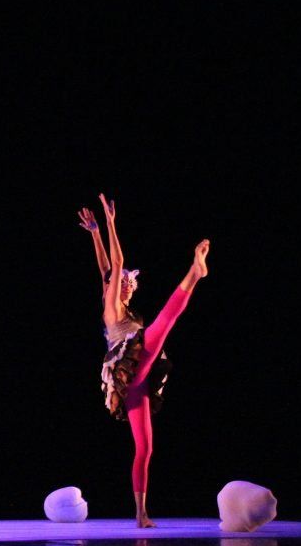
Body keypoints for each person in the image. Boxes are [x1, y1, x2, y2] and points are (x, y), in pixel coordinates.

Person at [78, 195, 210, 528]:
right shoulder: (111, 308)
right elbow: (112, 265)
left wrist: (95, 233)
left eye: (128, 284)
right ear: (111, 287)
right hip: (128, 367)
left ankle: (141, 513)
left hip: (137, 382)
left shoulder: (128, 310)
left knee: (146, 448)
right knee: (163, 324)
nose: (124, 286)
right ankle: (194, 273)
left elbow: (107, 268)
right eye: (120, 282)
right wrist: (109, 224)